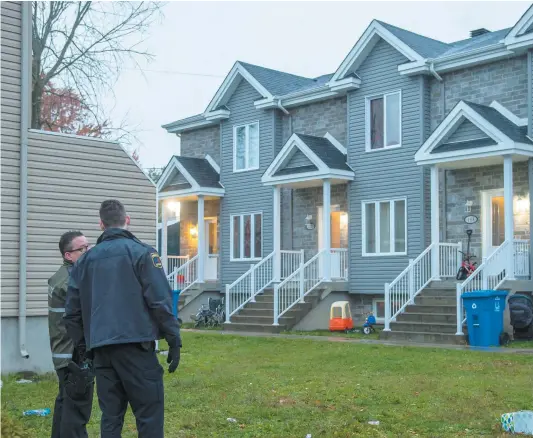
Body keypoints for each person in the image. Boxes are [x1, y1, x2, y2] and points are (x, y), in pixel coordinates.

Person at [64, 199, 181, 438]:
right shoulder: (142, 253)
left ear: (101, 224)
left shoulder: (84, 262)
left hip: (103, 351)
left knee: (111, 418)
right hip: (136, 348)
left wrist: (85, 347)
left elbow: (72, 314)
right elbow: (160, 300)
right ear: (127, 221)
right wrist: (173, 337)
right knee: (148, 415)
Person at [48, 231, 94, 438]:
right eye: (83, 249)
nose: (89, 251)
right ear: (69, 255)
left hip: (65, 352)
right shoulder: (69, 282)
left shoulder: (64, 275)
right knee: (76, 410)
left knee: (66, 405)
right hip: (73, 354)